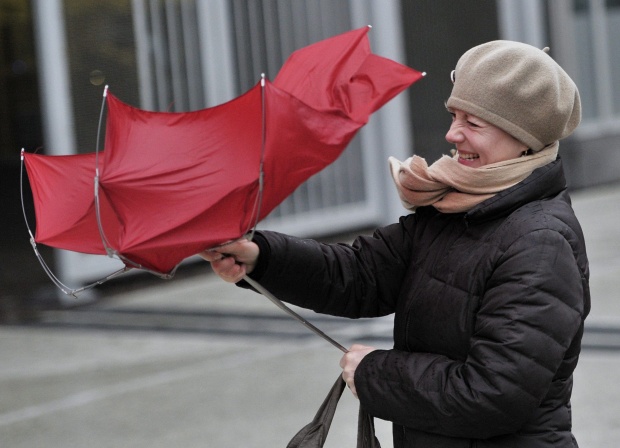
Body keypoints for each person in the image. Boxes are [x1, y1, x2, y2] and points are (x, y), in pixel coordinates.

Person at [200, 40, 590, 447]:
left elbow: (491, 395)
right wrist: (260, 257)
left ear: (523, 138)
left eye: (473, 123)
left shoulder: (541, 244)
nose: (452, 133)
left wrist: (375, 373)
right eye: (454, 115)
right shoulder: (452, 206)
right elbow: (358, 276)